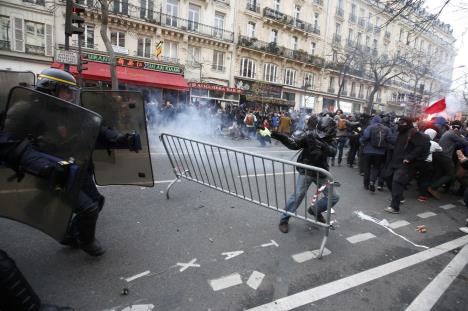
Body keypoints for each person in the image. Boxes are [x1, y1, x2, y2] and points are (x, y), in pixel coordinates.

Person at [271, 115, 339, 233]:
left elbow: (333, 152)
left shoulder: (332, 139)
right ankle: (284, 220)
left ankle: (315, 210)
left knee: (334, 196)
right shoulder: (310, 135)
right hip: (306, 171)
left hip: (321, 172)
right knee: (297, 196)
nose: (321, 133)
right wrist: (280, 136)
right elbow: (294, 144)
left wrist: (322, 145)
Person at [384, 119, 430, 214]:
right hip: (394, 161)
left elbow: (419, 147)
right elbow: (397, 143)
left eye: (403, 123)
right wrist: (387, 138)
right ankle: (399, 197)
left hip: (405, 163)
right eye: (399, 123)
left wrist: (409, 157)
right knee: (387, 178)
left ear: (408, 124)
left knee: (397, 182)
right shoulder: (400, 132)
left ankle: (395, 207)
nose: (400, 125)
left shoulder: (413, 133)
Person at [360, 115, 391, 192]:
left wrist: (361, 142)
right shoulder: (386, 129)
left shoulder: (370, 127)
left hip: (368, 151)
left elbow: (365, 136)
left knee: (367, 167)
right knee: (376, 168)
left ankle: (366, 185)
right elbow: (390, 139)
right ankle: (372, 181)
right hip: (380, 152)